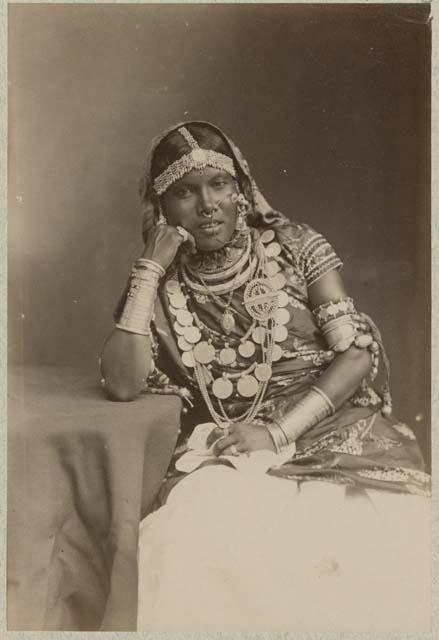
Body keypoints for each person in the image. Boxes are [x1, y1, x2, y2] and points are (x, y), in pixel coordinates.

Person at [100, 121, 431, 632]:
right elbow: (122, 384)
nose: (207, 204)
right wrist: (149, 266)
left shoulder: (296, 246)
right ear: (161, 206)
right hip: (232, 449)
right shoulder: (160, 283)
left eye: (219, 185)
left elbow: (357, 353)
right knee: (195, 543)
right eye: (185, 192)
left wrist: (277, 432)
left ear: (242, 189)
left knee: (368, 554)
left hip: (333, 430)